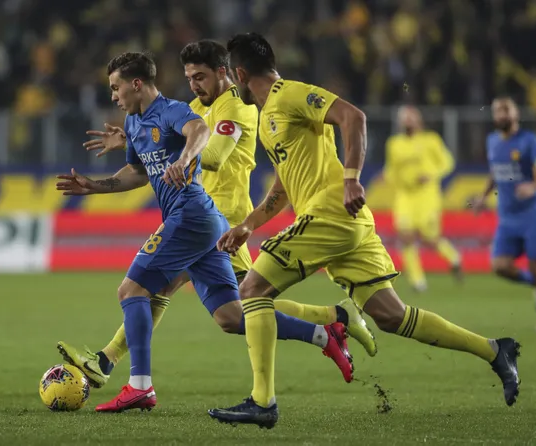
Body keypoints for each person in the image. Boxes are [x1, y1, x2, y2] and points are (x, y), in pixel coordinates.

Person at [208, 33, 521, 429]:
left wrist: (352, 178)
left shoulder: (290, 94)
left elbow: (353, 116)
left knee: (252, 289)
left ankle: (262, 402)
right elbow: (284, 188)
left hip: (331, 214)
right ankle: (495, 350)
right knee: (391, 315)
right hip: (345, 222)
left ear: (239, 74)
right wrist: (248, 225)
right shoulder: (270, 115)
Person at [57, 41, 376, 390]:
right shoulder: (195, 107)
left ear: (223, 73)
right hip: (200, 210)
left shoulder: (238, 107)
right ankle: (334, 319)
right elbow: (164, 143)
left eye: (200, 77)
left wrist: (167, 149)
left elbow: (214, 156)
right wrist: (142, 140)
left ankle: (110, 363)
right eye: (189, 79)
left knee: (154, 286)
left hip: (221, 213)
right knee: (233, 313)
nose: (194, 86)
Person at [472, 97, 536, 333]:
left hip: (532, 216)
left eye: (506, 110)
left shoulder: (529, 141)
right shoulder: (492, 141)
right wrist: (483, 197)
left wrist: (534, 186)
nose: (501, 115)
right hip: (507, 218)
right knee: (500, 266)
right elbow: (495, 172)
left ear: (516, 113)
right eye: (497, 111)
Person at [383, 105, 462, 292]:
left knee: (430, 239)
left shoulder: (431, 140)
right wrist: (388, 177)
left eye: (410, 117)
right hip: (405, 195)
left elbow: (448, 162)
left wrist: (431, 174)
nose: (407, 121)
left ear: (419, 120)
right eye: (404, 117)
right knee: (406, 236)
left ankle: (454, 257)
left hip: (427, 195)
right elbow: (391, 169)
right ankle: (418, 281)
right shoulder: (394, 144)